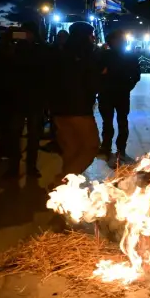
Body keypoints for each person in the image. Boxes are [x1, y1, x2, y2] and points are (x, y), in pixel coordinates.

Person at [47, 22, 101, 184]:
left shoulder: (59, 53)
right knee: (90, 146)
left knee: (70, 149)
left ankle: (64, 189)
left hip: (59, 110)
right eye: (91, 35)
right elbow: (91, 82)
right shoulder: (86, 54)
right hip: (79, 109)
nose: (93, 38)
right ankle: (61, 182)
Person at [0, 22, 48, 178]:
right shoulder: (14, 49)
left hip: (32, 98)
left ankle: (30, 166)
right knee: (15, 134)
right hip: (18, 98)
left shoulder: (40, 49)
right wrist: (8, 40)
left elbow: (43, 70)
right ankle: (14, 166)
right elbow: (5, 65)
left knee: (33, 135)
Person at [98, 30, 141, 164]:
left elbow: (136, 74)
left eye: (121, 40)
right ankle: (106, 148)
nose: (120, 42)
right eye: (117, 40)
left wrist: (128, 85)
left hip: (122, 93)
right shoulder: (103, 55)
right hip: (106, 93)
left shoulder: (129, 56)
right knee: (107, 123)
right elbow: (96, 72)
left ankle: (121, 149)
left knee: (122, 122)